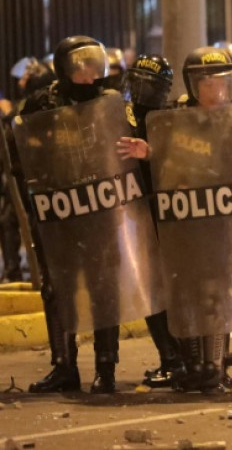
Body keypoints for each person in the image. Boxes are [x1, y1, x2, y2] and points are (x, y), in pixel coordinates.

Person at [23, 36, 123, 393]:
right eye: (79, 69)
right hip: (57, 208)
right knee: (56, 287)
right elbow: (23, 148)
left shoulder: (111, 102)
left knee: (103, 286)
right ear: (63, 70)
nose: (88, 76)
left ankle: (105, 367)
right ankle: (64, 365)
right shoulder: (40, 102)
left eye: (94, 68)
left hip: (100, 207)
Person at [120, 54, 187, 389]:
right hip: (133, 211)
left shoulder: (172, 117)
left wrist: (153, 152)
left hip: (169, 213)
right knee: (149, 287)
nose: (142, 90)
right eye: (138, 82)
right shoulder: (118, 117)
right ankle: (171, 358)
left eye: (151, 85)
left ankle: (194, 358)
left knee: (177, 286)